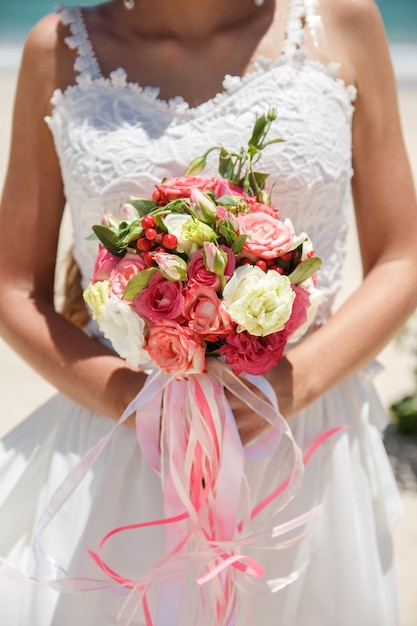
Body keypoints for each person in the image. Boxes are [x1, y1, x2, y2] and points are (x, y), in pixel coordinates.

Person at [0, 0, 416, 624]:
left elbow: (403, 257)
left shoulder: (345, 22)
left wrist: (286, 386)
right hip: (126, 443)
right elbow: (13, 288)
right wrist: (133, 403)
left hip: (305, 449)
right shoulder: (55, 47)